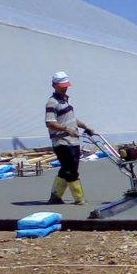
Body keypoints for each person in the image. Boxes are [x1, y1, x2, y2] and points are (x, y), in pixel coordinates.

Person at [44, 71, 94, 204]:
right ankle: (79, 199)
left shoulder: (66, 100)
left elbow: (71, 118)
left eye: (66, 86)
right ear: (54, 85)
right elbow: (50, 123)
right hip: (62, 142)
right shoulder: (52, 102)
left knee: (67, 168)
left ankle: (55, 196)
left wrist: (85, 127)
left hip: (73, 141)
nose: (65, 88)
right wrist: (66, 129)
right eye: (62, 86)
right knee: (71, 170)